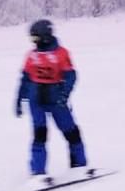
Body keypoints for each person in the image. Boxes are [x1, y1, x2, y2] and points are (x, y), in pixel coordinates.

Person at [15, 19, 88, 178]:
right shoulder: (32, 56)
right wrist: (19, 99)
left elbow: (71, 76)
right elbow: (25, 79)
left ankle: (79, 164)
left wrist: (64, 95)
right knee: (39, 135)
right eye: (31, 39)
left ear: (45, 36)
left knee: (71, 132)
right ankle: (38, 172)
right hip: (37, 101)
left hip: (56, 101)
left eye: (35, 38)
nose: (34, 42)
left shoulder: (61, 54)